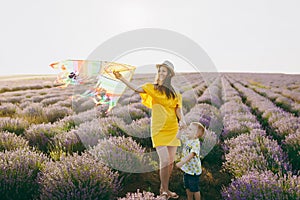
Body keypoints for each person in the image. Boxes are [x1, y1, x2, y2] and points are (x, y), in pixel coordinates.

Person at [113, 60, 186, 199]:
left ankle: (165, 188)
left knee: (170, 163)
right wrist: (122, 78)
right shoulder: (152, 87)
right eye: (159, 70)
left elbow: (178, 109)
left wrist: (183, 121)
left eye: (164, 71)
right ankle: (164, 191)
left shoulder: (175, 92)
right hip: (158, 129)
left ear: (169, 74)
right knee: (164, 161)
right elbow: (136, 88)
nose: (160, 73)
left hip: (172, 128)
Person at [175, 122, 205, 200]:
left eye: (190, 129)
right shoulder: (187, 138)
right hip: (187, 169)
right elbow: (177, 137)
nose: (188, 130)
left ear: (196, 135)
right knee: (187, 186)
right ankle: (189, 198)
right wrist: (180, 130)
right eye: (188, 128)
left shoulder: (196, 143)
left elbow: (192, 154)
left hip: (193, 171)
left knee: (195, 189)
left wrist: (182, 162)